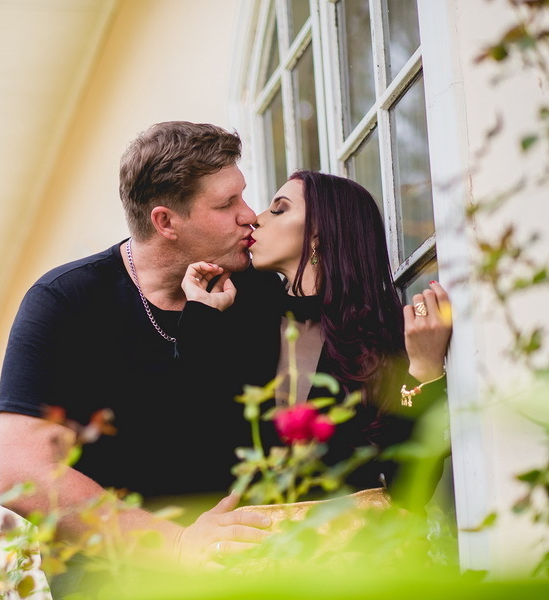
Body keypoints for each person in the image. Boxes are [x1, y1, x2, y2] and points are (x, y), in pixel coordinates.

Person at [0, 122, 286, 591]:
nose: (249, 215)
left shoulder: (260, 293)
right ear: (165, 222)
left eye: (244, 196)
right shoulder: (66, 302)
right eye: (226, 204)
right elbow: (22, 474)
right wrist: (177, 546)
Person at [180, 170, 452, 498]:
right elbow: (192, 431)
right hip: (241, 528)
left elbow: (409, 489)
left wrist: (425, 370)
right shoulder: (241, 314)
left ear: (318, 236)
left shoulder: (384, 337)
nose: (256, 219)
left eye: (279, 209)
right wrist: (201, 314)